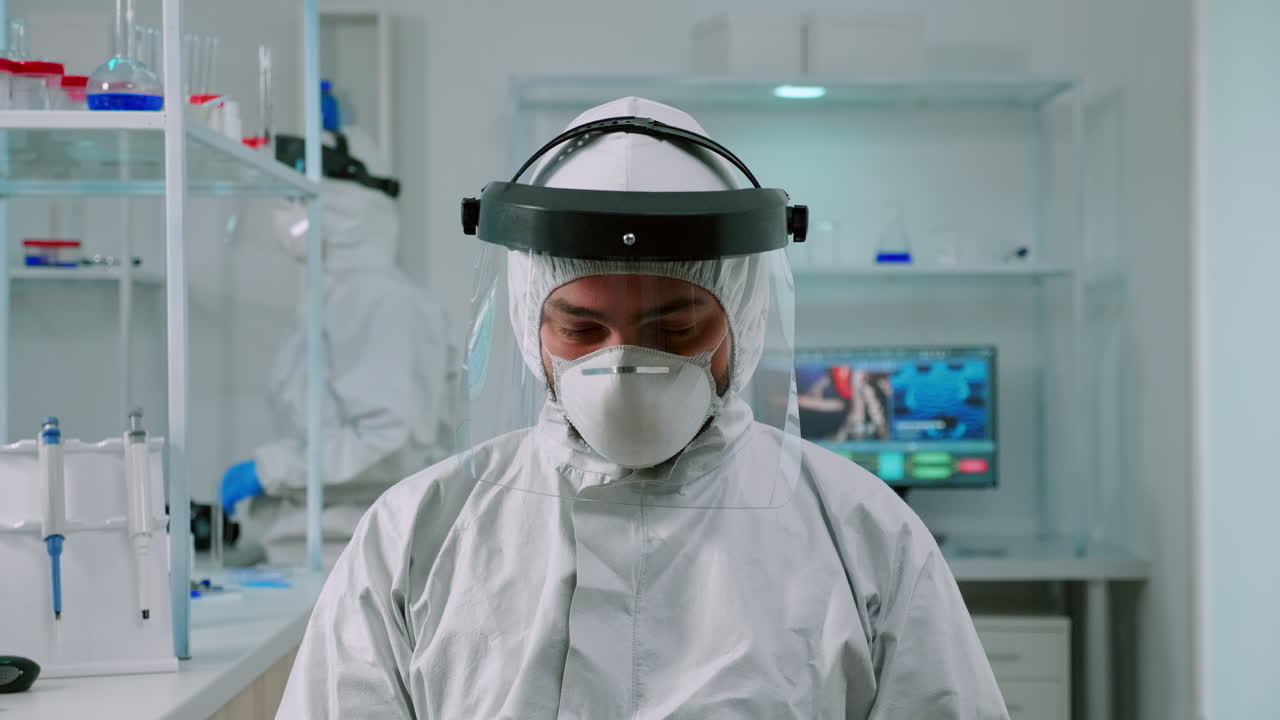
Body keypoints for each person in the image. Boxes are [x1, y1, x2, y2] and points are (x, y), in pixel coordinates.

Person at [277, 98, 1007, 718]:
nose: (623, 365)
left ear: (742, 318)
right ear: (533, 324)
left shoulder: (864, 539)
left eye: (677, 328)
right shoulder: (418, 536)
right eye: (582, 330)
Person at [219, 127, 457, 567]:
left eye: (295, 196)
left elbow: (391, 443)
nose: (283, 213)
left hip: (358, 557)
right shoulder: (335, 298)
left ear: (343, 203)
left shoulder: (381, 303)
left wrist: (271, 470)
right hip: (325, 556)